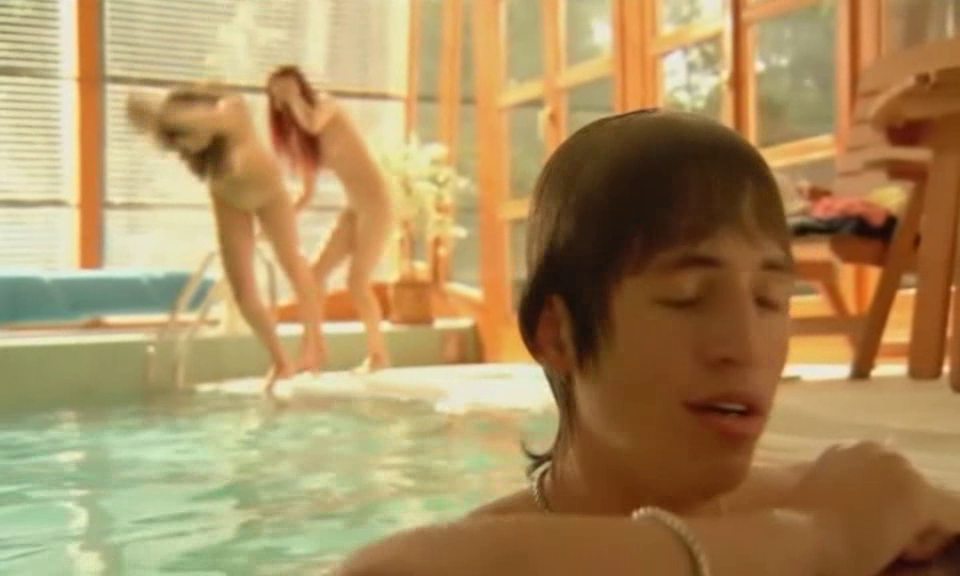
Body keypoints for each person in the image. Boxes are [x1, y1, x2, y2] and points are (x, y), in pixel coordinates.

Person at [334, 110, 960, 576]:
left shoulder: (819, 497)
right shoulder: (821, 521)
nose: (744, 345)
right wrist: (818, 541)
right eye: (687, 296)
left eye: (771, 299)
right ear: (559, 335)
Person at [126, 85, 323, 393]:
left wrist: (169, 116)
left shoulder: (231, 109)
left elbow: (206, 118)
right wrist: (163, 122)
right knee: (243, 290)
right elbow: (139, 112)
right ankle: (280, 360)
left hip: (270, 195)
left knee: (293, 264)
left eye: (187, 135)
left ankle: (314, 344)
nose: (187, 146)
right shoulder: (192, 138)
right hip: (229, 201)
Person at [266, 65, 394, 374]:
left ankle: (379, 355)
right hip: (354, 209)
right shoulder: (303, 141)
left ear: (300, 87)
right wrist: (275, 221)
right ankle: (314, 351)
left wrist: (293, 99)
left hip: (376, 203)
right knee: (312, 277)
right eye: (278, 93)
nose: (285, 94)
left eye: (290, 86)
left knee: (357, 281)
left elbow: (312, 122)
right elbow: (306, 193)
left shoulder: (326, 105)